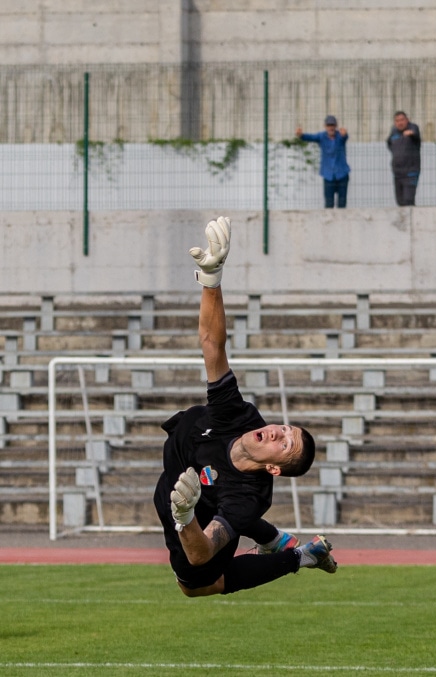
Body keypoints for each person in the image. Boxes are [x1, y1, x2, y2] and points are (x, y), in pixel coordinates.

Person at [152, 216, 337, 597]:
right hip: (183, 453)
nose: (277, 431)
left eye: (284, 444)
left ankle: (302, 556)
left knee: (197, 585)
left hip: (192, 506)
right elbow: (212, 345)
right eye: (285, 429)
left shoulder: (249, 495)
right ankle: (275, 539)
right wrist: (212, 280)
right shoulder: (240, 416)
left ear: (274, 468)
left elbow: (202, 553)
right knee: (222, 499)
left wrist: (185, 517)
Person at [297, 115, 350, 208]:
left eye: (333, 125)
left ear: (336, 126)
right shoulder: (321, 136)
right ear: (325, 126)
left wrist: (345, 134)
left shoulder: (340, 137)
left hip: (342, 174)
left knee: (342, 203)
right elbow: (310, 137)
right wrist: (301, 135)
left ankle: (341, 222)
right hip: (328, 175)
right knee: (329, 204)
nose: (331, 127)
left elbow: (345, 137)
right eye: (329, 125)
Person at [386, 111, 421, 206]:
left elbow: (416, 135)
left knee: (408, 200)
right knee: (400, 201)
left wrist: (411, 133)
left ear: (407, 120)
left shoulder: (413, 128)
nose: (400, 123)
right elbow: (389, 144)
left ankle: (412, 220)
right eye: (397, 121)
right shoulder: (393, 132)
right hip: (397, 173)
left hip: (411, 172)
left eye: (402, 120)